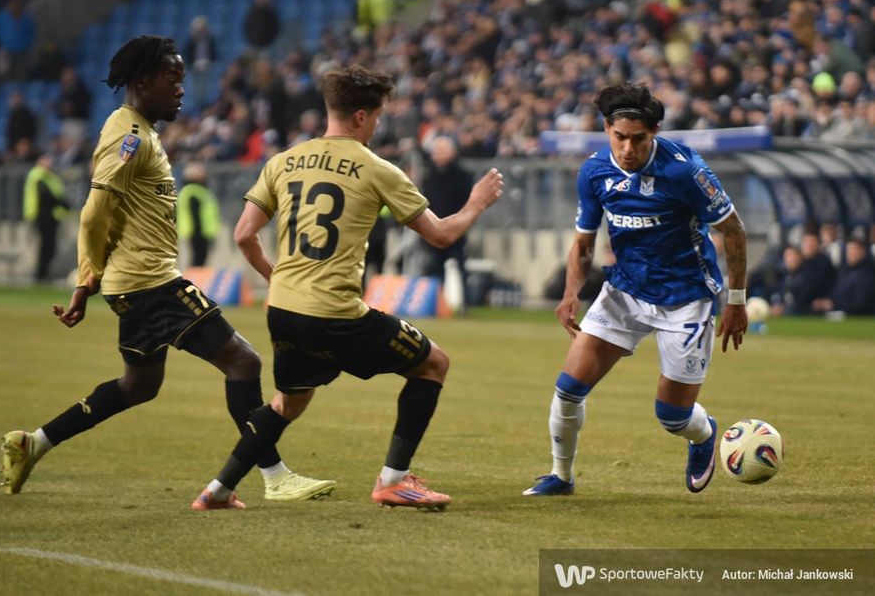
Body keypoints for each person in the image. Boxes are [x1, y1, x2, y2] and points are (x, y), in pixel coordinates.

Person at [0, 36, 333, 503]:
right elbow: (94, 213)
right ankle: (274, 475)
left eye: (182, 80)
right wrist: (85, 280)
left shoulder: (141, 131)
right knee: (243, 361)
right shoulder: (130, 138)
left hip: (134, 284)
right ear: (142, 81)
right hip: (150, 282)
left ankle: (33, 443)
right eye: (172, 80)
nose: (181, 90)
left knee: (139, 385)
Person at [190, 64, 503, 510]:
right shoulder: (377, 168)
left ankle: (217, 491)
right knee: (433, 363)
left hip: (283, 308)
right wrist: (475, 204)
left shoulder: (283, 161)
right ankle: (394, 480)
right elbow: (441, 235)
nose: (376, 127)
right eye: (376, 118)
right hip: (335, 313)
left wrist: (275, 277)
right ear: (360, 116)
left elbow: (244, 235)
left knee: (288, 403)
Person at [523, 83, 748, 497]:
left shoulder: (685, 171)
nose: (628, 149)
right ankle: (561, 476)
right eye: (620, 137)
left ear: (654, 132)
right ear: (606, 129)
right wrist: (571, 294)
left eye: (638, 139)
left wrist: (735, 301)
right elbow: (583, 244)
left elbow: (733, 230)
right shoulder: (594, 172)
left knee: (672, 416)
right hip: (624, 291)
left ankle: (703, 434)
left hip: (685, 297)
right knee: (568, 389)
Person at [419, 136, 474, 298]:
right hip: (433, 227)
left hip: (456, 228)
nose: (439, 154)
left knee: (459, 264)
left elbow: (466, 203)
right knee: (435, 266)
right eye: (437, 151)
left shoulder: (462, 176)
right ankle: (438, 301)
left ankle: (465, 301)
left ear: (452, 152)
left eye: (443, 151)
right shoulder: (428, 176)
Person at [23, 153, 70, 282]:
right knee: (46, 246)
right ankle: (41, 273)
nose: (49, 163)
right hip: (43, 216)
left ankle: (43, 272)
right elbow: (47, 195)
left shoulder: (48, 176)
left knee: (48, 246)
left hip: (51, 216)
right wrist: (62, 204)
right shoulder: (39, 175)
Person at [811, 237, 875, 315]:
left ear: (863, 252)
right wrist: (825, 302)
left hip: (857, 316)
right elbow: (836, 292)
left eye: (854, 249)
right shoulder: (844, 271)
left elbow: (860, 303)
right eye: (849, 250)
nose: (851, 253)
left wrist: (833, 305)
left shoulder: (867, 275)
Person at [177, 161, 220, 267]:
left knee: (198, 259)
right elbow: (195, 215)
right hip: (197, 233)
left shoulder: (194, 190)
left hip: (198, 232)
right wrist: (199, 233)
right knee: (198, 260)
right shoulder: (193, 191)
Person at [0, 0, 37, 83]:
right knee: (5, 75)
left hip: (22, 52)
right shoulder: (2, 17)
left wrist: (25, 45)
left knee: (22, 75)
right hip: (5, 52)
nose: (15, 6)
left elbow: (31, 34)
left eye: (17, 4)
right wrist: (0, 46)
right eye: (13, 4)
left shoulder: (27, 18)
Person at [184, 16, 218, 111]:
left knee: (205, 87)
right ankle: (197, 104)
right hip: (195, 67)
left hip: (207, 65)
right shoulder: (191, 41)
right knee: (196, 87)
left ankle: (205, 104)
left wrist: (210, 62)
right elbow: (187, 54)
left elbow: (214, 53)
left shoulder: (210, 40)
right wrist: (191, 64)